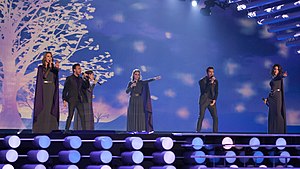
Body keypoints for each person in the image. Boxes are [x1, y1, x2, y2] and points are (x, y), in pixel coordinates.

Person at [126, 69, 161, 133]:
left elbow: (148, 80)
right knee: (132, 114)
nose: (137, 76)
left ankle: (140, 129)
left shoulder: (141, 82)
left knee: (140, 115)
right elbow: (127, 92)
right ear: (133, 75)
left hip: (139, 99)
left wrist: (155, 78)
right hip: (132, 99)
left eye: (138, 74)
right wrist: (131, 86)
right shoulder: (131, 83)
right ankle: (132, 129)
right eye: (136, 74)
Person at [33, 52, 60, 133]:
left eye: (51, 56)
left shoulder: (53, 69)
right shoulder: (41, 68)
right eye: (48, 56)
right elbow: (44, 76)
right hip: (44, 88)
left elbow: (55, 77)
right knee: (43, 106)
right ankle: (41, 128)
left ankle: (50, 128)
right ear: (45, 58)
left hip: (51, 88)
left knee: (50, 106)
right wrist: (49, 67)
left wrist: (55, 68)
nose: (49, 58)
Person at [62, 63, 89, 132]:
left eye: (80, 68)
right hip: (72, 99)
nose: (80, 70)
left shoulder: (80, 79)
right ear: (74, 70)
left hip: (79, 99)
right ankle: (66, 129)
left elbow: (86, 87)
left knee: (82, 116)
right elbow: (65, 89)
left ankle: (84, 131)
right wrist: (64, 99)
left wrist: (86, 79)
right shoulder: (69, 78)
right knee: (70, 115)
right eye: (78, 68)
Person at [263, 64, 287, 134]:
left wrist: (283, 75)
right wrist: (267, 99)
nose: (275, 70)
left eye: (277, 69)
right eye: (274, 69)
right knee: (272, 114)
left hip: (277, 97)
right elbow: (272, 90)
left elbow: (281, 76)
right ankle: (272, 132)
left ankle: (280, 131)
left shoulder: (279, 77)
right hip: (272, 97)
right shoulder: (274, 78)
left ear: (279, 70)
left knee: (278, 113)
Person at [196, 66, 218, 133]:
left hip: (211, 101)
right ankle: (198, 131)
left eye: (213, 72)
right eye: (210, 72)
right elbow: (204, 91)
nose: (212, 73)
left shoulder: (215, 81)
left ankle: (215, 133)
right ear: (207, 73)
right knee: (201, 116)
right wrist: (210, 83)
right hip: (204, 101)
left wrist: (214, 99)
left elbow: (216, 91)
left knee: (215, 117)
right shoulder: (202, 81)